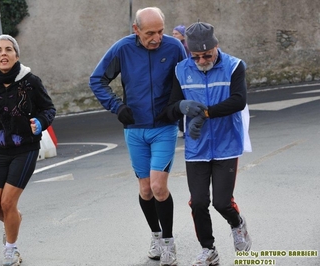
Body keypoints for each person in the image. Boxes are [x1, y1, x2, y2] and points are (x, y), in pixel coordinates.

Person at [89, 7, 187, 266]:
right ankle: (155, 236)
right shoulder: (122, 49)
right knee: (145, 190)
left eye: (161, 32)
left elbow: (187, 79)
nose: (156, 38)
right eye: (150, 33)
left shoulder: (174, 48)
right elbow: (97, 80)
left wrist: (177, 109)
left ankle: (168, 242)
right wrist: (117, 107)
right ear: (136, 30)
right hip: (135, 130)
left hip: (164, 127)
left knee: (158, 187)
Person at [163, 21, 252, 265]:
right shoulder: (181, 70)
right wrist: (181, 106)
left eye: (207, 55)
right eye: (197, 56)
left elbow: (238, 101)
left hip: (226, 144)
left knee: (222, 202)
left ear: (216, 47)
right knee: (199, 202)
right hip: (196, 147)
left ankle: (237, 224)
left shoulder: (234, 66)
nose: (202, 61)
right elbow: (170, 108)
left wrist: (205, 113)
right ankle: (208, 249)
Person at [0, 34, 56, 266]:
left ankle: (11, 250)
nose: (4, 53)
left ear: (16, 55)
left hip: (25, 149)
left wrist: (40, 122)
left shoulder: (30, 81)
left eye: (9, 49)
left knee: (7, 203)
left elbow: (48, 108)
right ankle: (13, 222)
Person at [172, 24, 191, 139]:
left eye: (176, 34)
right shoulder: (177, 46)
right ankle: (182, 128)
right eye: (173, 33)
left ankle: (183, 129)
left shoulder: (184, 47)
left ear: (183, 35)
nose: (173, 36)